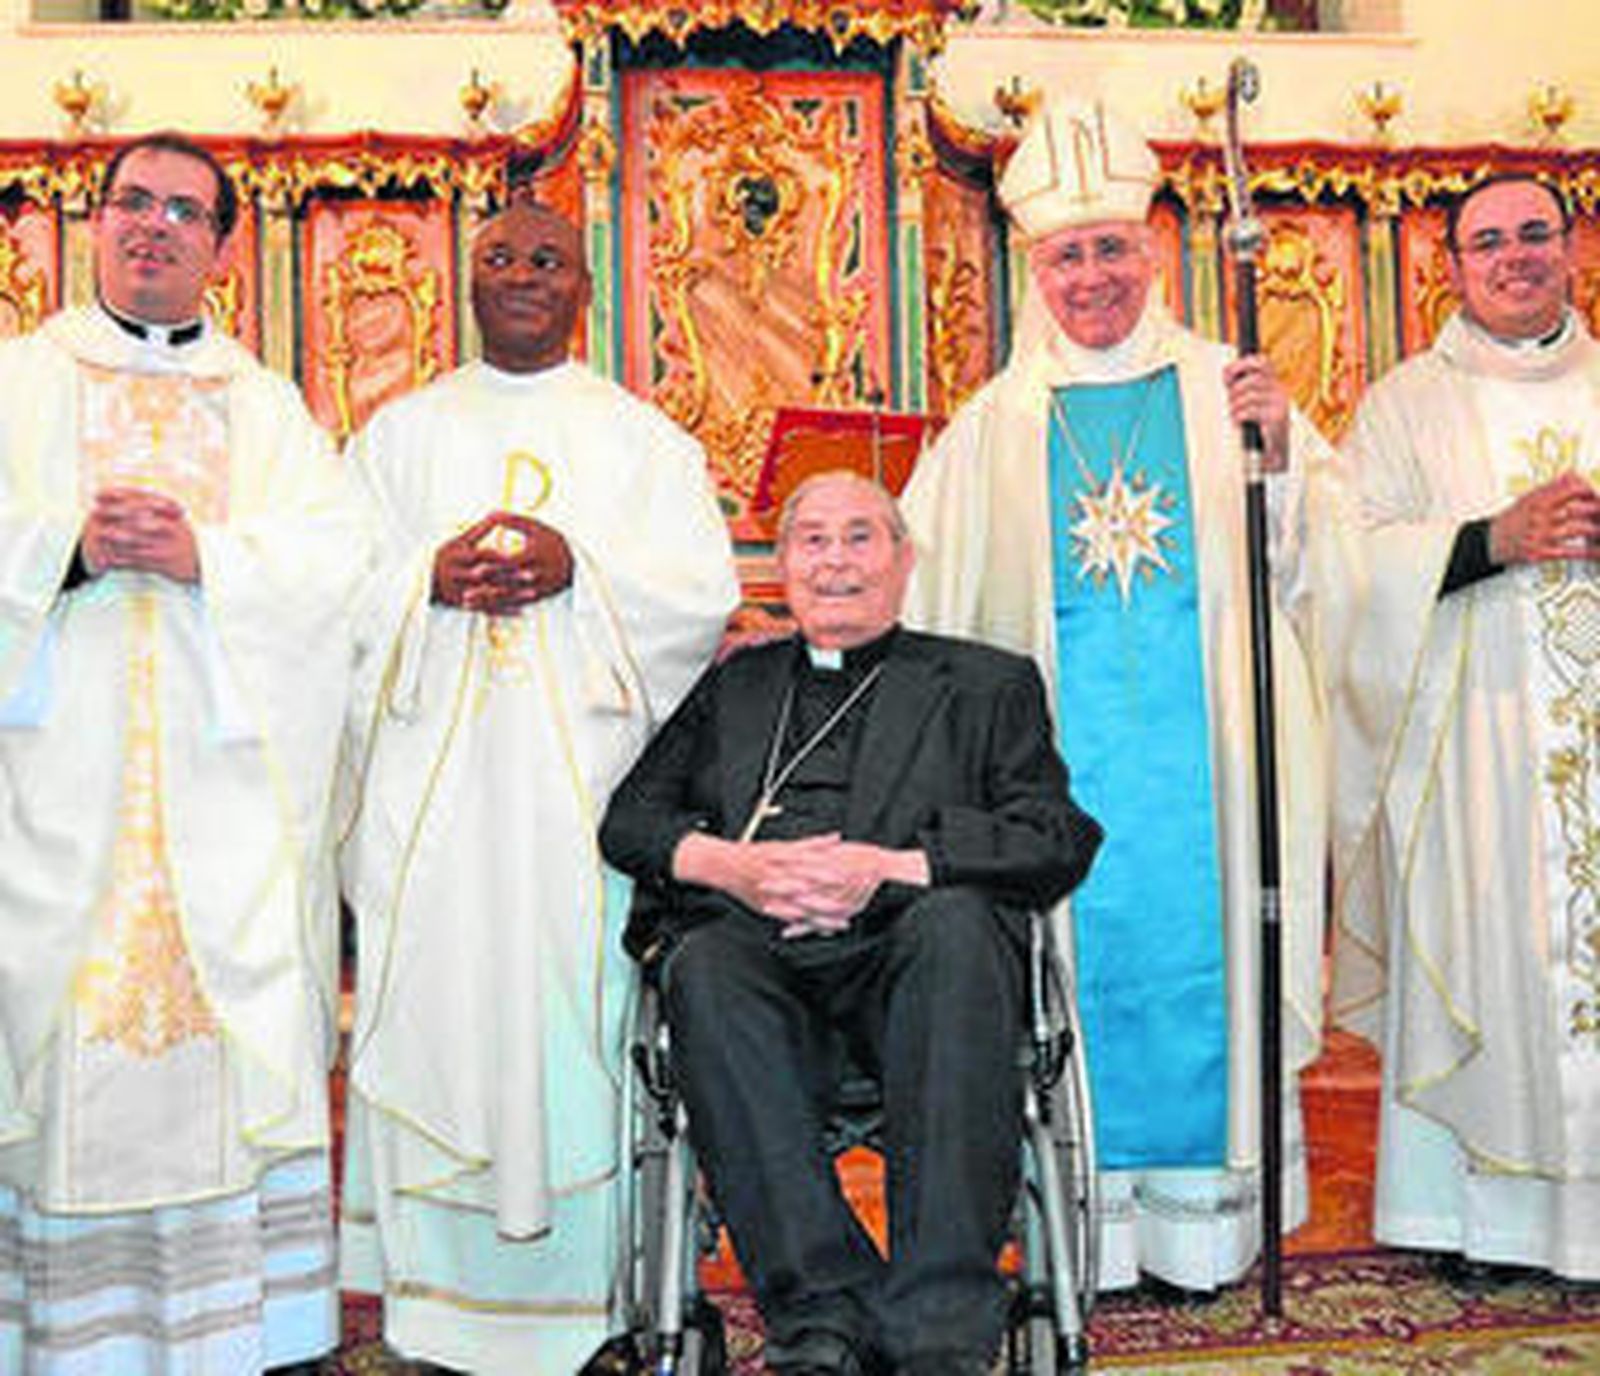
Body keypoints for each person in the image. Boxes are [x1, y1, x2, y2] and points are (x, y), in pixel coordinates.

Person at [899, 96, 1332, 1294]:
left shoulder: (1226, 385)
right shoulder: (993, 424)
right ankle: (1090, 1227)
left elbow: (1315, 567)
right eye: (1065, 255)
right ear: (1032, 271)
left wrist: (1283, 456)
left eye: (1110, 248)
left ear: (1153, 251)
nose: (1090, 276)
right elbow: (923, 586)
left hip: (1214, 768)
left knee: (1209, 957)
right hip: (1059, 777)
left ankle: (1203, 1230)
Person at [338, 198, 739, 1373]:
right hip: (434, 803)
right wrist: (424, 578)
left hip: (579, 809)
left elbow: (699, 596)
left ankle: (589, 1297)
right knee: (439, 1005)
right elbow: (331, 590)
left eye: (547, 259)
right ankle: (436, 1305)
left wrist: (583, 573)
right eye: (500, 256)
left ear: (583, 287)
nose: (521, 274)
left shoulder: (643, 442)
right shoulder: (397, 438)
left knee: (580, 1020)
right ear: (467, 280)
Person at [600, 471, 1103, 1376]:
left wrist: (892, 869)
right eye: (813, 540)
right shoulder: (736, 685)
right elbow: (630, 822)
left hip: (921, 973)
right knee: (701, 965)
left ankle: (939, 1331)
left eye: (861, 537)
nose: (836, 561)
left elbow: (1057, 837)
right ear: (783, 566)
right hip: (761, 970)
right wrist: (736, 868)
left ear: (904, 561)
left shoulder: (985, 683)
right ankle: (823, 1310)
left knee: (957, 930)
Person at [0, 132, 366, 1372]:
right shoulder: (20, 381)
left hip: (226, 807)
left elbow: (339, 566)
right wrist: (64, 547)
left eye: (182, 210)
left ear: (220, 246)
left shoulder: (264, 407)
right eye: (132, 202)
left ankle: (223, 1336)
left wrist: (211, 555)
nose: (152, 225)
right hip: (52, 790)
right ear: (95, 222)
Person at [1326, 173, 1600, 1282]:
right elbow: (1346, 561)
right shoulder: (1405, 405)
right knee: (1489, 961)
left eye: (1535, 233)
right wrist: (1492, 537)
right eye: (1486, 241)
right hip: (1472, 748)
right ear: (1450, 267)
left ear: (1573, 246)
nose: (1513, 256)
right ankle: (1487, 1227)